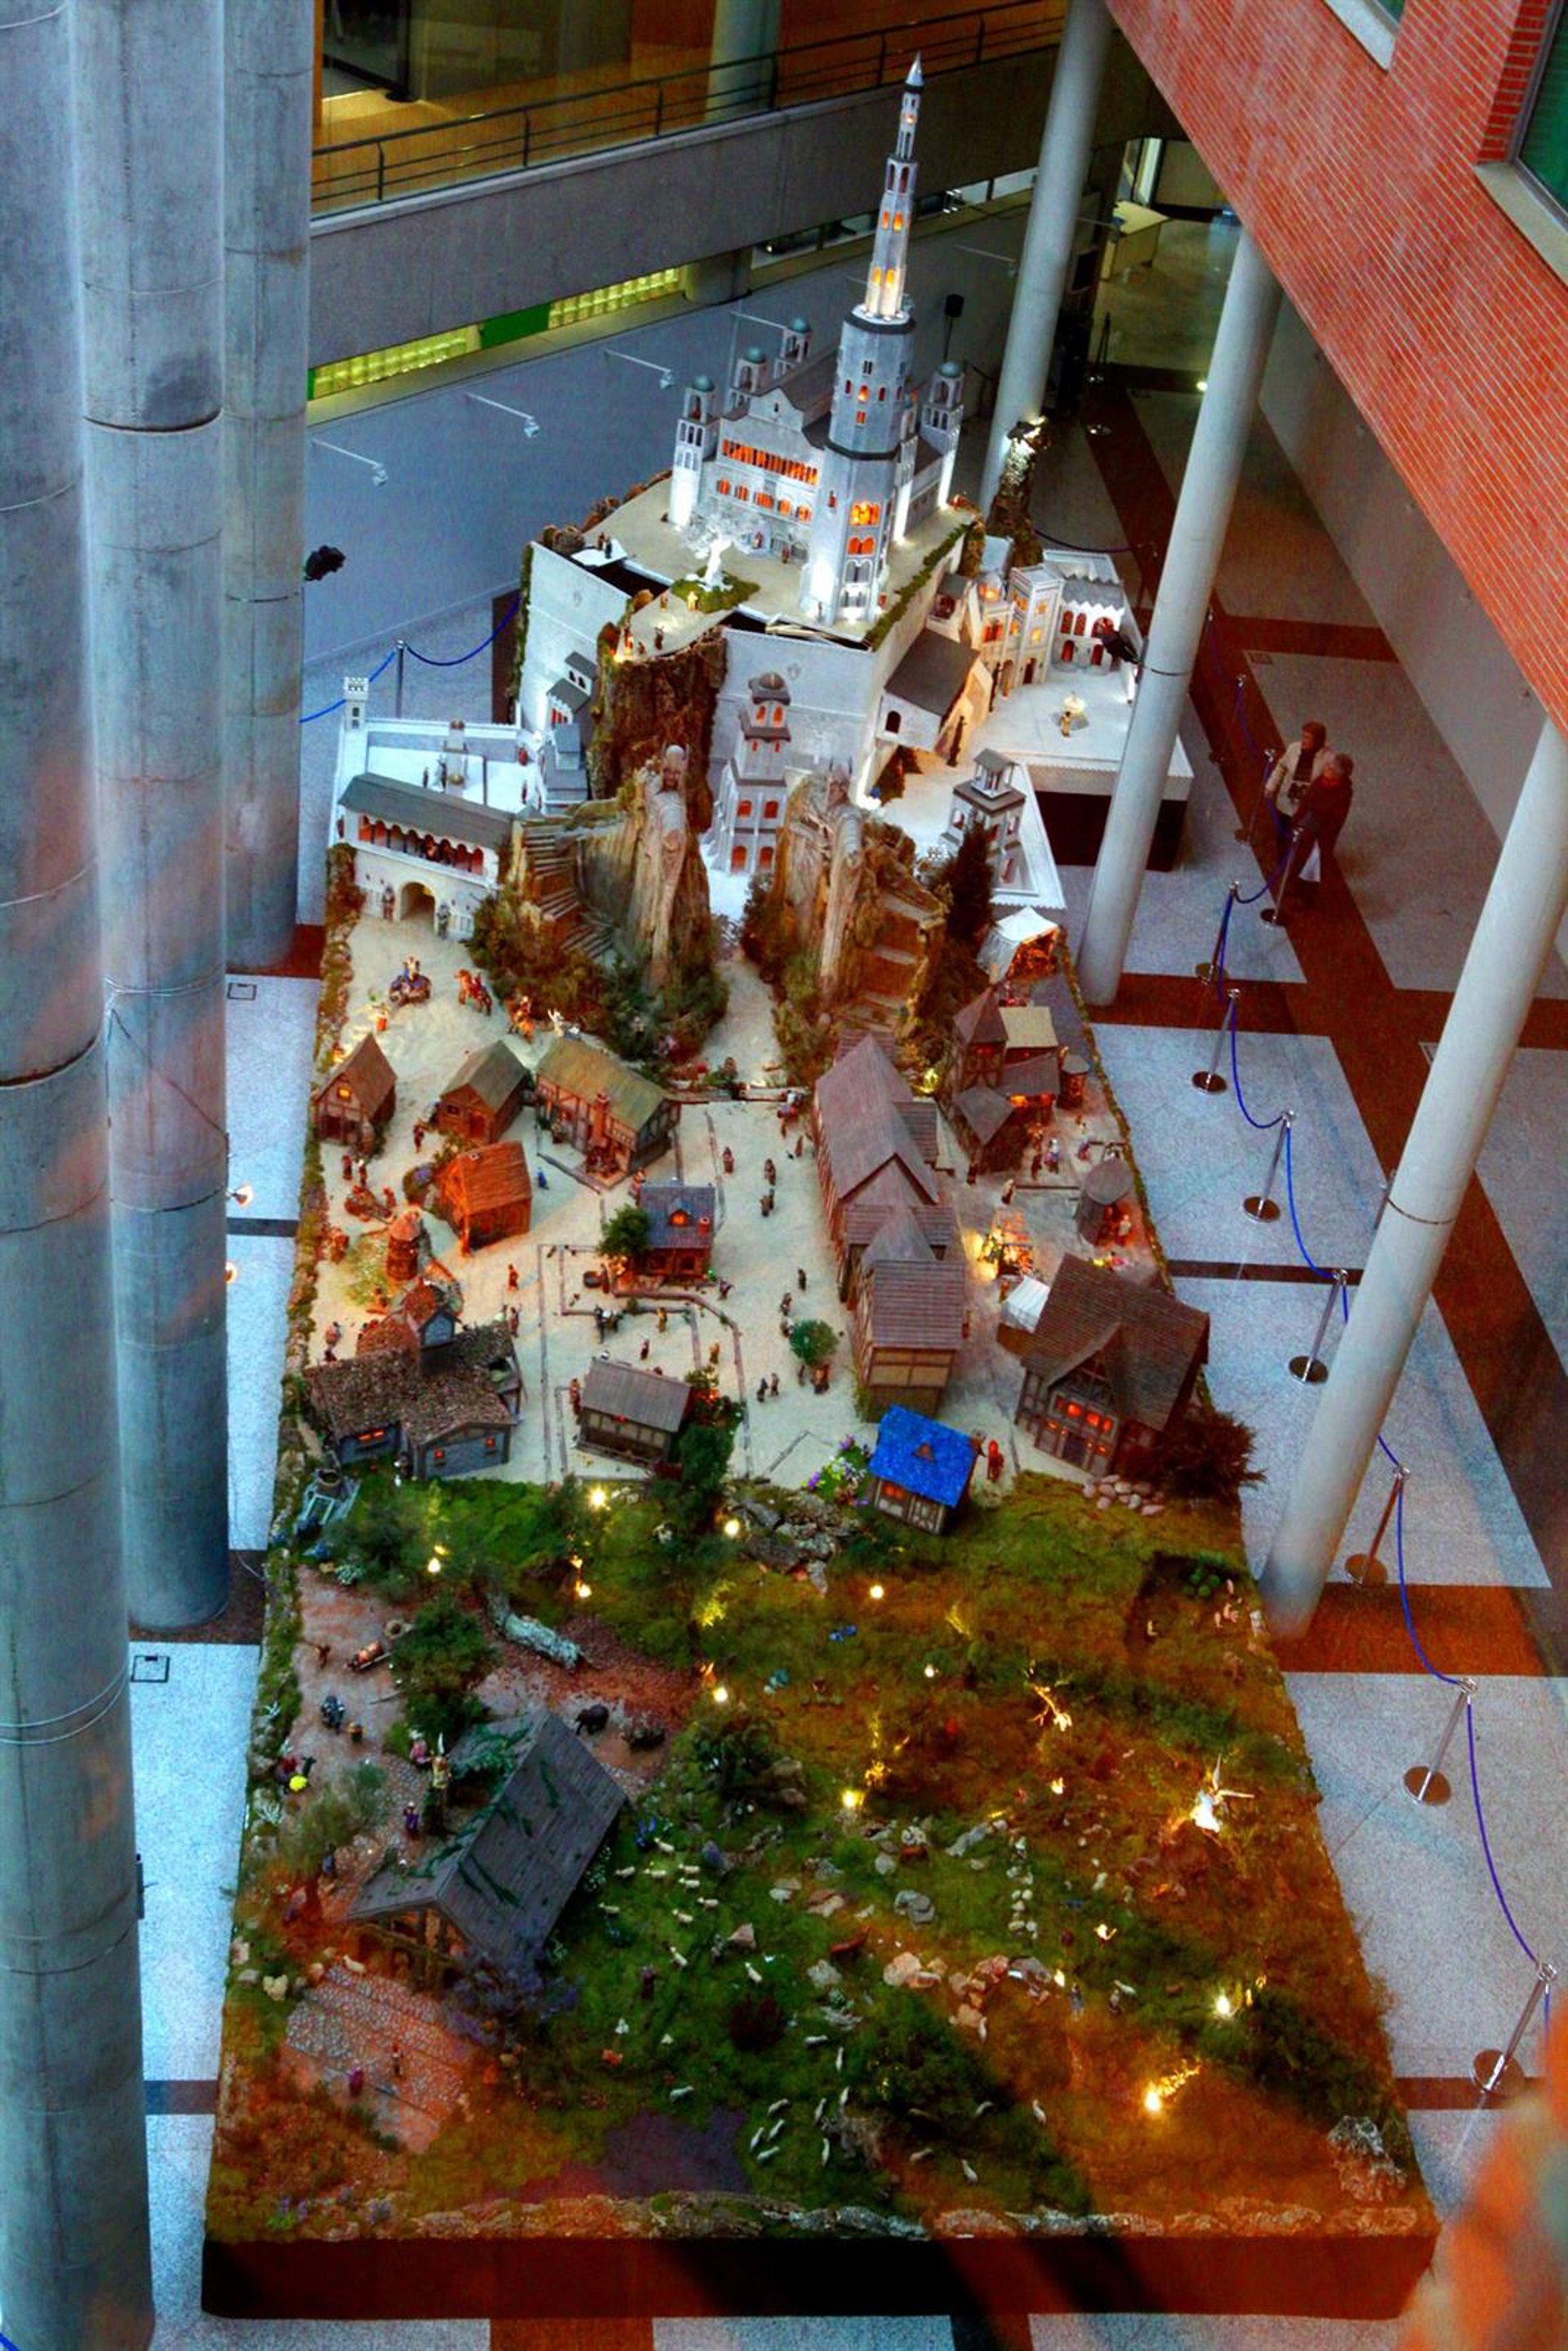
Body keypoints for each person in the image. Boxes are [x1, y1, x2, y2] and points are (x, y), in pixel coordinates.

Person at [1263, 720, 1329, 858]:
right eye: (1303, 736)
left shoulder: (1328, 760)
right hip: (1286, 801)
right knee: (1282, 832)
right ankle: (1281, 858)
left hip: (1306, 808)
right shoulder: (1294, 748)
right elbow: (1281, 767)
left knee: (1302, 838)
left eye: (1307, 738)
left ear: (1317, 741)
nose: (1303, 741)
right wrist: (1271, 785)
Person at [1294, 752, 1356, 888]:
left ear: (1339, 774)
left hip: (1320, 834)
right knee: (1298, 857)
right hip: (1306, 826)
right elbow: (1306, 801)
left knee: (1311, 865)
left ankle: (1304, 889)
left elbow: (1335, 820)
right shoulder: (1320, 781)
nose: (1327, 768)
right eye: (1328, 765)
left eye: (1331, 768)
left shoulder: (1343, 793)